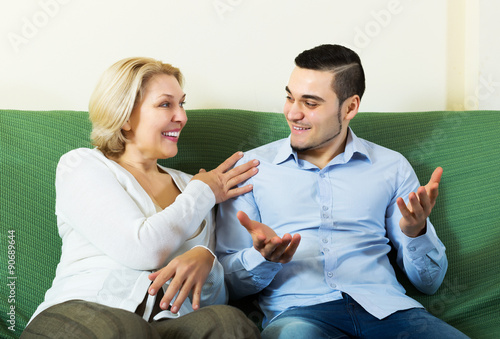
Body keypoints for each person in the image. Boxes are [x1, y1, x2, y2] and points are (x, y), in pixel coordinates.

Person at [215, 44, 469, 338]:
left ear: (350, 107)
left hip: (390, 312)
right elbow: (226, 282)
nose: (293, 113)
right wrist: (264, 258)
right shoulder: (251, 169)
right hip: (300, 317)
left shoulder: (391, 166)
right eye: (289, 97)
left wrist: (416, 232)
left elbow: (430, 283)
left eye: (310, 103)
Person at [21, 57, 261, 339]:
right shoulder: (82, 165)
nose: (182, 117)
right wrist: (204, 192)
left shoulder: (192, 185)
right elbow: (142, 249)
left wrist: (207, 261)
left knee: (228, 322)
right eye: (165, 104)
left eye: (182, 104)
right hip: (83, 313)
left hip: (167, 323)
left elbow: (209, 300)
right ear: (124, 117)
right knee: (126, 329)